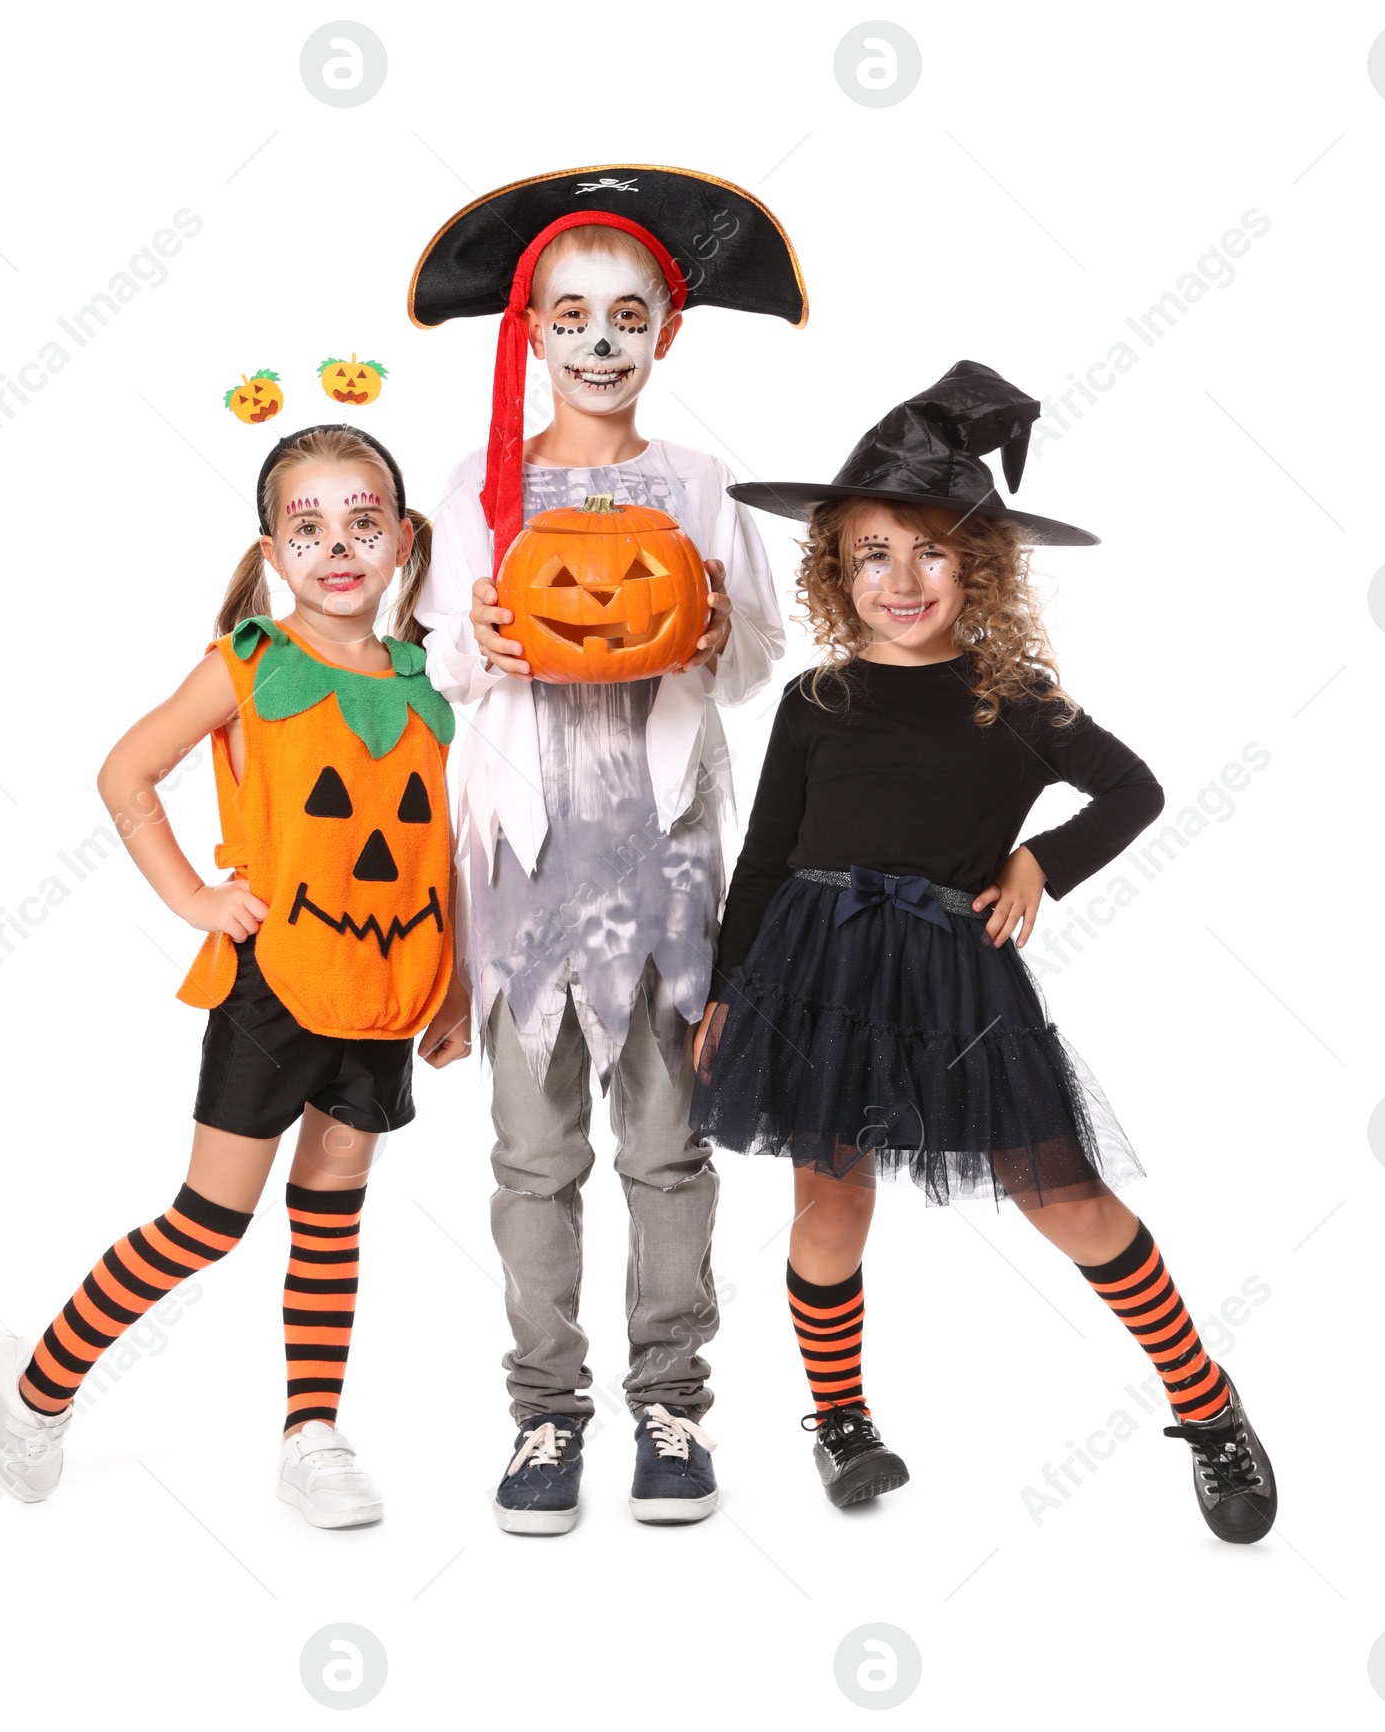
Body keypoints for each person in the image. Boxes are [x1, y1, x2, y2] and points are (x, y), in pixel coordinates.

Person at [691, 362, 1277, 1543]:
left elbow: (1134, 788)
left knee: (1061, 1192)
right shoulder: (817, 699)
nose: (900, 581)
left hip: (952, 975)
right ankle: (843, 1421)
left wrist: (1036, 864)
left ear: (978, 565)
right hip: (814, 968)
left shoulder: (1013, 695)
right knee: (827, 1198)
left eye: (930, 554)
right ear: (834, 567)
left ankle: (1208, 1407)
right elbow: (763, 853)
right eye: (871, 555)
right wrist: (724, 989)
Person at [0, 423, 470, 1529]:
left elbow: (436, 841)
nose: (338, 546)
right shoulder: (248, 663)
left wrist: (458, 981)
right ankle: (32, 1388)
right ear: (272, 549)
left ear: (400, 543)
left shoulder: (422, 679)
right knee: (208, 1220)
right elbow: (126, 770)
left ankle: (312, 1431)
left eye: (363, 522)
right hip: (276, 978)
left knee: (333, 1208)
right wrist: (197, 898)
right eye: (310, 527)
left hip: (390, 984)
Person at [407, 164, 806, 1532]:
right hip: (529, 864)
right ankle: (544, 1416)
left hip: (668, 862)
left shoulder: (702, 482)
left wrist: (712, 636)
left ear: (664, 336)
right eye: (568, 313)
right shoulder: (483, 479)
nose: (598, 339)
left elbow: (755, 653)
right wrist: (482, 636)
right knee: (534, 1158)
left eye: (626, 316)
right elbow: (451, 663)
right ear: (533, 330)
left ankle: (673, 1401)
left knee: (669, 1151)